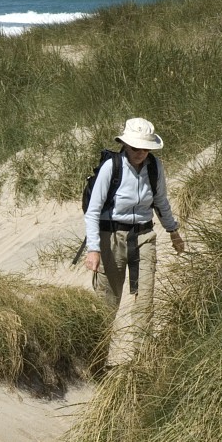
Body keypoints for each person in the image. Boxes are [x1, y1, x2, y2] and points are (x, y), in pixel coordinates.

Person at [83, 117, 184, 364]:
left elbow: (161, 202)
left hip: (145, 237)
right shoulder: (112, 167)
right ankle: (97, 365)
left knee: (145, 303)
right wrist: (94, 249)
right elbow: (93, 210)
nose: (141, 153)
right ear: (126, 145)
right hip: (111, 238)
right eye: (136, 147)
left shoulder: (155, 167)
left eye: (145, 148)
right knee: (106, 303)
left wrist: (173, 231)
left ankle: (141, 364)